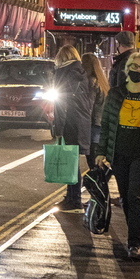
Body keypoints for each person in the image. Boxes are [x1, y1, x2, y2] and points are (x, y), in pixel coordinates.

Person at [94, 51, 140, 261]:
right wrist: (101, 151)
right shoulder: (115, 94)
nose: (138, 70)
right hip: (120, 154)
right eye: (134, 66)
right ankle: (133, 231)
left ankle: (135, 243)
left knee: (136, 196)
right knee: (126, 198)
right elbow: (107, 125)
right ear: (127, 69)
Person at [52, 45, 96, 210]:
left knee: (70, 163)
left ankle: (74, 199)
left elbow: (61, 104)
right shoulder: (81, 72)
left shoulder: (63, 73)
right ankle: (72, 197)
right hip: (82, 121)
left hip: (70, 121)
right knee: (73, 161)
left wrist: (58, 129)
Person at [81, 52, 109, 161]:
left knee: (92, 159)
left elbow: (89, 106)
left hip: (93, 125)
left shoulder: (91, 82)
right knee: (97, 158)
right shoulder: (102, 81)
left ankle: (98, 177)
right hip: (101, 124)